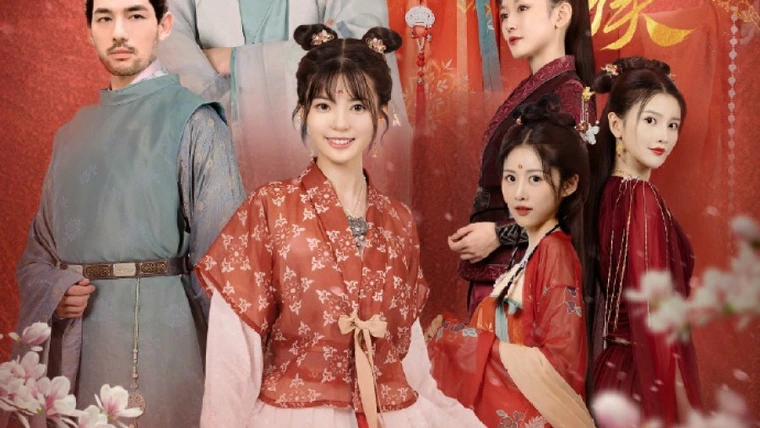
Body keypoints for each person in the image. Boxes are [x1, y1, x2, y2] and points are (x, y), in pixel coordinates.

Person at [196, 25, 483, 428]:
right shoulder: (269, 207)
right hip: (297, 415)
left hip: (392, 414)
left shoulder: (399, 221)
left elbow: (409, 355)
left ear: (382, 114)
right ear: (303, 112)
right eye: (324, 105)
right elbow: (232, 353)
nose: (341, 123)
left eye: (358, 107)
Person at [8, 0, 244, 426]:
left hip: (163, 348)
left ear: (164, 25)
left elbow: (229, 270)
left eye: (135, 15)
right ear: (89, 32)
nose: (119, 32)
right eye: (105, 18)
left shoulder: (195, 122)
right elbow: (37, 256)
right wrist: (56, 291)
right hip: (75, 352)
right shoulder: (70, 136)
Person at [428, 99, 595, 428]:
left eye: (535, 179)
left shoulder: (554, 253)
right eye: (510, 178)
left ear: (569, 184)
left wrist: (458, 340)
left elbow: (558, 366)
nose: (519, 193)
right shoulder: (532, 251)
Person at [156, 0, 412, 202]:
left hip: (316, 134)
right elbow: (165, 41)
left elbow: (359, 47)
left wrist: (234, 60)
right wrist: (225, 94)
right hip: (217, 135)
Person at [450, 0, 597, 316]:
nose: (509, 24)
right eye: (504, 14)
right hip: (503, 268)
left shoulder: (569, 94)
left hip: (525, 274)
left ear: (561, 14)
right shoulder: (538, 88)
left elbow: (570, 203)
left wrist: (497, 234)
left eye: (523, 8)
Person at [585, 56, 702, 424]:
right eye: (650, 120)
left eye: (672, 125)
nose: (663, 136)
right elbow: (654, 320)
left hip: (615, 372)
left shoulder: (607, 194)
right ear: (616, 124)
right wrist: (684, 408)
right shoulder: (640, 197)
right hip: (643, 377)